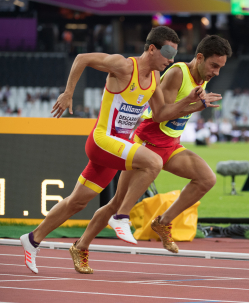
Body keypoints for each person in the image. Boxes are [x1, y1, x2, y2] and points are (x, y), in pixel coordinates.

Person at [20, 26, 215, 275]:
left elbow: (161, 114)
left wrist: (191, 104)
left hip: (117, 148)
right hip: (102, 140)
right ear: (152, 49)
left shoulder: (155, 79)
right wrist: (68, 93)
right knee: (153, 162)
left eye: (175, 54)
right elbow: (82, 58)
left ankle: (33, 239)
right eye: (167, 53)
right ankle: (121, 217)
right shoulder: (123, 66)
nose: (171, 60)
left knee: (76, 202)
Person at [76, 34, 231, 260]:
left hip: (170, 145)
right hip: (148, 141)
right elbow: (161, 114)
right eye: (214, 66)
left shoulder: (202, 77)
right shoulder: (178, 72)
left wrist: (196, 103)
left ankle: (163, 222)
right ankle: (81, 245)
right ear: (199, 58)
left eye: (220, 68)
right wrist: (193, 105)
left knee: (207, 179)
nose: (216, 72)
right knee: (117, 203)